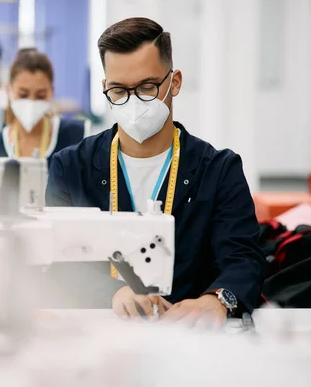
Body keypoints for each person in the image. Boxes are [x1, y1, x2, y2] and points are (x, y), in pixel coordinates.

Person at [45, 17, 266, 327]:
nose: (133, 102)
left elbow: (243, 258)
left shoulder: (219, 170)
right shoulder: (70, 167)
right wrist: (114, 292)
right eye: (119, 90)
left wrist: (217, 299)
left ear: (174, 82)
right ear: (105, 88)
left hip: (189, 330)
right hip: (102, 330)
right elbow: (58, 260)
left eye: (147, 87)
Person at [0, 48, 90, 162]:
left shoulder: (78, 137)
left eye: (41, 96)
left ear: (51, 92)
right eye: (23, 95)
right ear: (8, 90)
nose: (31, 102)